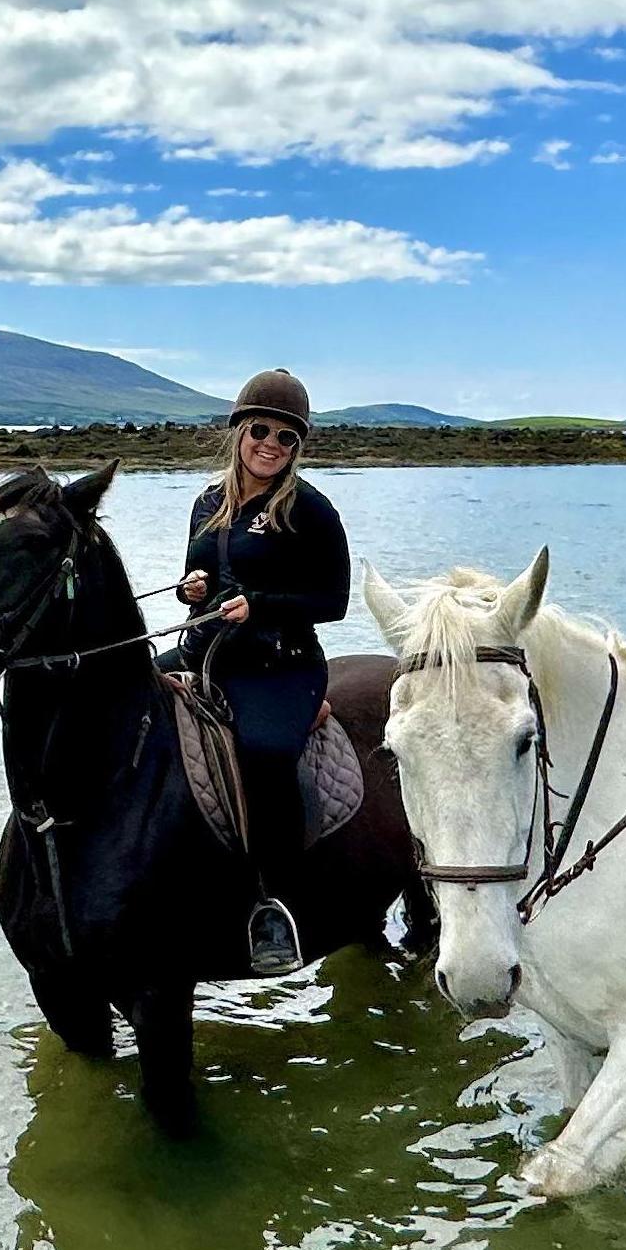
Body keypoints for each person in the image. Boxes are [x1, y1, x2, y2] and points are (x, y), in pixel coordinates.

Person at [180, 370, 351, 973]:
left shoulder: (311, 510)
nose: (271, 445)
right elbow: (197, 583)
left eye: (287, 438)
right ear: (239, 432)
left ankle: (271, 903)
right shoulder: (207, 503)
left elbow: (334, 602)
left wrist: (262, 604)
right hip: (211, 649)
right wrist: (192, 589)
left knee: (263, 751)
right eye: (260, 430)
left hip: (282, 664)